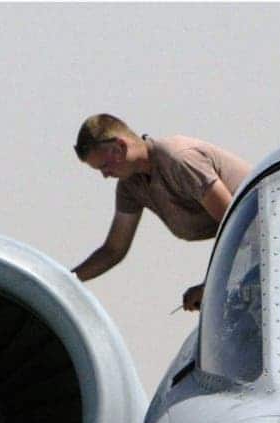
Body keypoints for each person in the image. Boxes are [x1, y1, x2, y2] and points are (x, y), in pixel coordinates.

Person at [71, 114, 251, 311]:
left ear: (119, 147)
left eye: (104, 166)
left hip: (276, 236)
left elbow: (238, 225)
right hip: (248, 242)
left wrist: (211, 286)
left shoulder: (179, 160)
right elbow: (113, 250)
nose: (105, 175)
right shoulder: (131, 186)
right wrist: (66, 281)